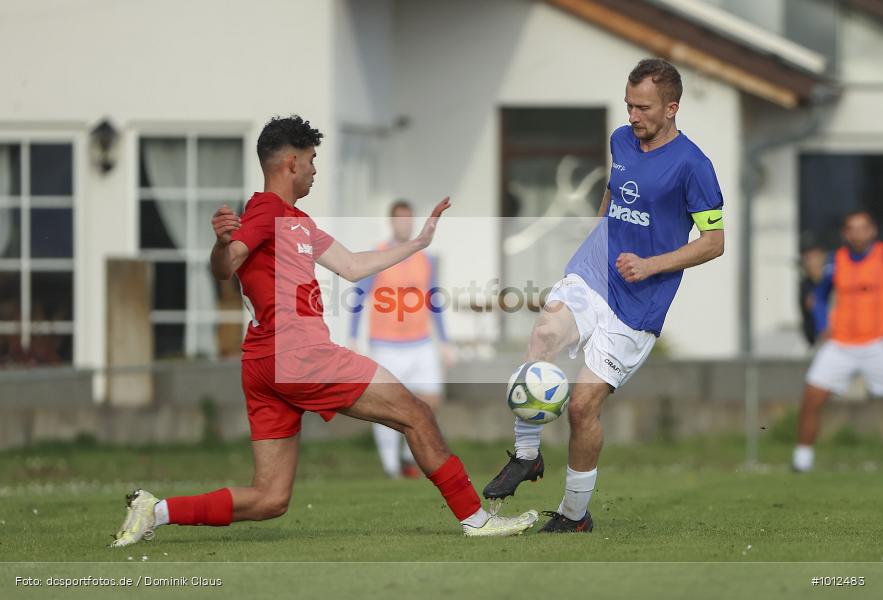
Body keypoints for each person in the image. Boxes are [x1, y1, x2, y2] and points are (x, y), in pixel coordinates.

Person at [110, 116, 537, 547]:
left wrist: (417, 244)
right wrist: (222, 245)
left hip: (263, 363)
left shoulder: (297, 221)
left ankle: (155, 510)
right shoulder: (266, 211)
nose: (315, 170)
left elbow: (351, 266)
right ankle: (476, 519)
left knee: (270, 498)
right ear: (292, 163)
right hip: (299, 354)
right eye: (312, 160)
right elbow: (227, 265)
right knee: (417, 414)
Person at [482, 59, 725, 533]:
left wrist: (651, 265)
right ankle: (527, 455)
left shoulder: (694, 166)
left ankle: (575, 515)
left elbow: (714, 242)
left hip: (639, 304)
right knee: (544, 333)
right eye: (629, 105)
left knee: (581, 407)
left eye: (644, 108)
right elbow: (614, 194)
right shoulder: (621, 140)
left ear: (672, 108)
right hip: (594, 275)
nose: (633, 116)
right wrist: (596, 236)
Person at [349, 200, 454, 479]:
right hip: (385, 343)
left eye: (409, 219)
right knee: (387, 405)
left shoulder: (424, 258)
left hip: (420, 342)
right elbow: (358, 296)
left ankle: (409, 454)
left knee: (430, 398)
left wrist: (444, 342)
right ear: (392, 222)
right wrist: (353, 336)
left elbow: (434, 300)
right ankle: (390, 468)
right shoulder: (379, 255)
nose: (405, 224)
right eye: (400, 219)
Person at [793, 210, 883, 472]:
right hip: (842, 344)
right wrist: (822, 326)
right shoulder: (836, 261)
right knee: (812, 397)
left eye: (863, 227)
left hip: (876, 342)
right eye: (852, 228)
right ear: (845, 234)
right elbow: (818, 297)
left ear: (872, 231)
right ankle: (802, 461)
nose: (858, 233)